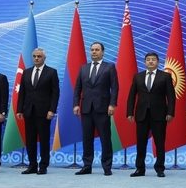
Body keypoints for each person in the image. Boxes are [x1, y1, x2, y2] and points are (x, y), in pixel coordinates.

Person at [126, 52, 175, 178]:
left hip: (159, 114)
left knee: (159, 142)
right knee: (141, 142)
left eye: (153, 59)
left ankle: (160, 168)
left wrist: (170, 112)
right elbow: (131, 96)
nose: (151, 61)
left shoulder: (165, 76)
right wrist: (130, 112)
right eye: (148, 59)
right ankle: (140, 169)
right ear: (145, 62)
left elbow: (171, 96)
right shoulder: (138, 76)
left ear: (158, 62)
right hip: (141, 114)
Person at [73, 42, 118, 176]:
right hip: (86, 108)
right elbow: (78, 88)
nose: (94, 52)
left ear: (103, 52)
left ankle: (107, 166)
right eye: (92, 50)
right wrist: (76, 104)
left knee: (105, 138)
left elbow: (115, 88)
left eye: (97, 50)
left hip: (103, 108)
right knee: (87, 138)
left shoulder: (109, 67)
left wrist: (112, 104)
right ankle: (87, 165)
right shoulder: (83, 68)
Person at [17, 48, 60, 175]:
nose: (36, 58)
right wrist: (20, 110)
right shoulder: (26, 72)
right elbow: (22, 93)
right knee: (30, 140)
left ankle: (43, 166)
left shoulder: (51, 72)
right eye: (34, 56)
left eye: (39, 56)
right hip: (29, 111)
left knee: (44, 139)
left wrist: (52, 110)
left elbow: (55, 93)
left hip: (44, 112)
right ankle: (32, 165)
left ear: (44, 58)